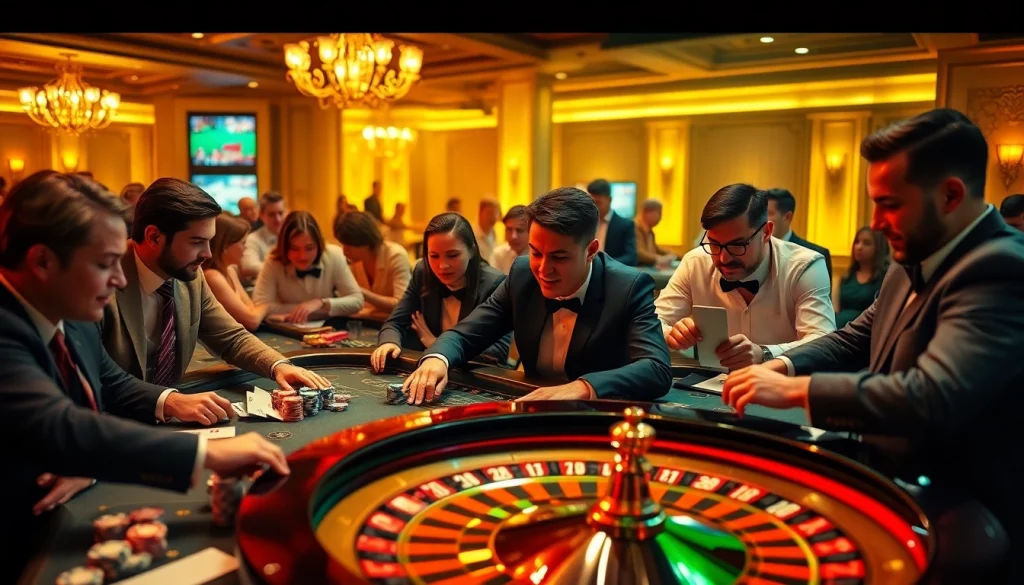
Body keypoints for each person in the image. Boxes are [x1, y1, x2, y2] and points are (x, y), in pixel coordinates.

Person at [721, 109, 1024, 577]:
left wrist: (796, 393)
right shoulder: (913, 254)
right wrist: (781, 367)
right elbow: (854, 338)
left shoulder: (1001, 268)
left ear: (950, 195)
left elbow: (930, 395)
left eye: (890, 204)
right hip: (892, 478)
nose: (876, 222)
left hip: (969, 511)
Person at [0, 171, 289, 582]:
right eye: (104, 264)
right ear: (42, 261)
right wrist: (205, 454)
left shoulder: (71, 313)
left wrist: (92, 455)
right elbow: (56, 425)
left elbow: (110, 381)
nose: (119, 279)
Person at [402, 187, 672, 404]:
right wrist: (438, 359)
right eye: (536, 252)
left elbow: (656, 368)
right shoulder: (522, 274)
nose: (543, 269)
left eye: (559, 257)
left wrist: (583, 387)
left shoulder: (627, 287)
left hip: (599, 420)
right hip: (530, 407)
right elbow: (467, 333)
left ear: (591, 251)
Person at [101, 179, 329, 391]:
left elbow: (231, 337)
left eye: (209, 241)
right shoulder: (99, 281)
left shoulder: (191, 275)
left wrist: (278, 365)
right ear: (153, 237)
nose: (208, 254)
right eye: (197, 242)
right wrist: (166, 401)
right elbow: (99, 378)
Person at [656, 184, 835, 370]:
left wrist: (765, 354)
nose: (724, 258)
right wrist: (670, 334)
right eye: (714, 244)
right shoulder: (695, 262)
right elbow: (649, 321)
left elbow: (823, 341)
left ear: (766, 232)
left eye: (737, 245)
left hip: (781, 388)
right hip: (708, 386)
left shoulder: (804, 266)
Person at [372, 213, 511, 373]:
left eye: (452, 255)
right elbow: (395, 322)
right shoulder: (423, 273)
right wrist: (389, 343)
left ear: (472, 250)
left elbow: (498, 352)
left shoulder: (495, 284)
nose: (442, 265)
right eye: (434, 256)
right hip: (431, 371)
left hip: (477, 375)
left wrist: (437, 345)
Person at [253, 211, 364, 323]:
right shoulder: (273, 261)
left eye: (309, 248)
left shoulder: (334, 255)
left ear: (319, 244)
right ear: (284, 246)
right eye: (294, 249)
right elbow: (261, 306)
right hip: (286, 329)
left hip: (328, 328)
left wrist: (320, 303)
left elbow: (357, 301)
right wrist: (306, 309)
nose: (302, 256)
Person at [334, 211, 411, 319]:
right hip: (367, 323)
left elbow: (402, 306)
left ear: (366, 241)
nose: (344, 252)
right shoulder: (354, 261)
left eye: (349, 246)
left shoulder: (395, 255)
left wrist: (360, 292)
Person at [203, 213, 269, 331]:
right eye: (242, 243)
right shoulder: (212, 276)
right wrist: (267, 306)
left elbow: (250, 308)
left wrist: (257, 311)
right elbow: (251, 321)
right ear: (225, 245)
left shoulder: (230, 270)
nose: (246, 248)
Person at [764, 188, 833, 280]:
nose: (762, 219)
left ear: (787, 217)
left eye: (768, 213)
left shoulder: (815, 256)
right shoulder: (752, 250)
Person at [835, 227, 889, 328]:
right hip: (839, 331)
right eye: (857, 242)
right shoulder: (846, 277)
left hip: (864, 332)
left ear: (878, 248)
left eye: (866, 243)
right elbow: (838, 309)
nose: (859, 247)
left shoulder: (884, 278)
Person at [586, 178, 638, 266]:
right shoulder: (585, 223)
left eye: (598, 203)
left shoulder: (625, 225)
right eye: (591, 202)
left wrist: (604, 264)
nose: (594, 207)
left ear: (609, 200)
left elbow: (631, 258)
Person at [240, 191, 287, 280]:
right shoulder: (253, 238)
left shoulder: (295, 236)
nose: (278, 219)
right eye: (271, 214)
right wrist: (283, 272)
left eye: (280, 213)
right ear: (261, 215)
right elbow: (248, 266)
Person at [635, 199, 677, 268]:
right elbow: (639, 253)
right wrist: (659, 259)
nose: (660, 218)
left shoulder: (650, 231)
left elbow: (657, 250)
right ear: (648, 213)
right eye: (659, 213)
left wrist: (676, 255)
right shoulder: (634, 228)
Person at [489, 205, 529, 274]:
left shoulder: (539, 256)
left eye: (519, 230)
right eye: (509, 230)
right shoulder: (499, 255)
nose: (513, 236)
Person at [474, 197, 502, 262]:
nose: (493, 217)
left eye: (496, 213)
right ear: (480, 212)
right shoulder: (472, 235)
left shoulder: (497, 236)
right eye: (490, 213)